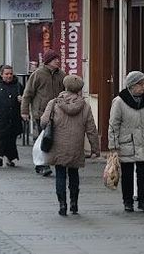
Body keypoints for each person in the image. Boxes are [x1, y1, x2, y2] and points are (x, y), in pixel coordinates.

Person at [41, 74, 98, 216]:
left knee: (60, 173)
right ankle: (74, 203)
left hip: (58, 145)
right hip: (76, 146)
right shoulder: (85, 106)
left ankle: (62, 204)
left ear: (65, 86)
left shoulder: (54, 103)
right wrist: (95, 149)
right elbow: (91, 129)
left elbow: (43, 122)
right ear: (79, 89)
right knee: (74, 173)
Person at [108, 70, 144, 213]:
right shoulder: (119, 101)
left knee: (143, 173)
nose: (143, 86)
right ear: (131, 85)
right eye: (140, 83)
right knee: (127, 174)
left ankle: (143, 201)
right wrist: (113, 145)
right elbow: (113, 124)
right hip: (126, 143)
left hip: (143, 142)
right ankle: (128, 202)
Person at [21, 49, 66, 176]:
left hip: (58, 113)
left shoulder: (61, 75)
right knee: (44, 139)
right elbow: (28, 94)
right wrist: (24, 111)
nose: (57, 61)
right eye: (54, 59)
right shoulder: (38, 74)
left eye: (58, 59)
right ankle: (42, 165)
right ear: (47, 61)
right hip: (41, 113)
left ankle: (54, 162)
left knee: (56, 140)